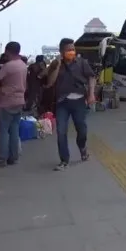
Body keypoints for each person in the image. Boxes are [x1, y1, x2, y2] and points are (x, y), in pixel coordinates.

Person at [45, 38, 97, 171]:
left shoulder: (82, 63)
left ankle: (82, 148)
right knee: (61, 131)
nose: (71, 52)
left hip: (79, 101)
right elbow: (50, 82)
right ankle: (64, 160)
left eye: (73, 49)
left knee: (82, 130)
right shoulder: (56, 64)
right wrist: (56, 66)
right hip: (62, 102)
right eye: (68, 50)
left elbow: (91, 77)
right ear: (61, 51)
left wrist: (91, 94)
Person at [0, 42, 27, 167]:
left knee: (3, 130)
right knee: (14, 129)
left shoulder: (8, 66)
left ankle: (2, 158)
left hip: (7, 102)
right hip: (20, 101)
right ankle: (13, 157)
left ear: (7, 51)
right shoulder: (23, 65)